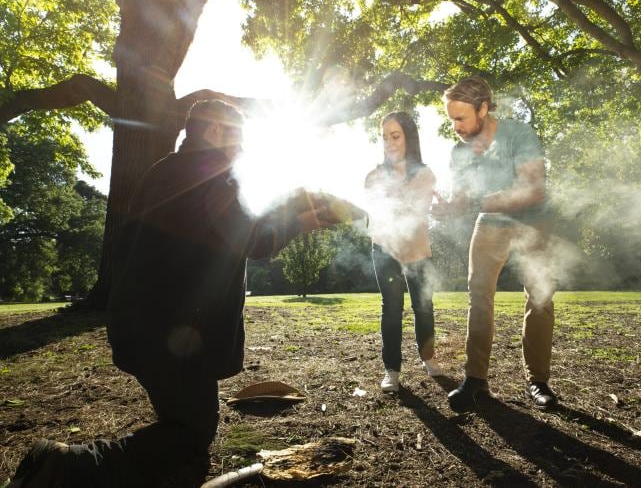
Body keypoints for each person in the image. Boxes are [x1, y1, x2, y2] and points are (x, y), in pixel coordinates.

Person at [10, 100, 345, 487]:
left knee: (185, 427)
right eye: (238, 139)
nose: (241, 151)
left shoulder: (170, 171)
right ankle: (63, 465)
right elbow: (253, 240)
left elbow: (230, 229)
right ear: (215, 131)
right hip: (169, 333)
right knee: (191, 434)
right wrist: (306, 219)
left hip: (148, 326)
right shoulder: (204, 176)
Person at [432, 77, 558, 412]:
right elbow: (462, 201)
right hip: (489, 222)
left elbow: (533, 189)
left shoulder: (519, 134)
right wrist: (447, 209)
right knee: (479, 295)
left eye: (461, 118)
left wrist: (478, 203)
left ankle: (538, 380)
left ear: (483, 108)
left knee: (540, 298)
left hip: (534, 220)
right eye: (451, 119)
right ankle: (475, 380)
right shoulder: (459, 153)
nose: (455, 127)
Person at [365, 111, 440, 393]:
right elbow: (376, 213)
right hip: (384, 249)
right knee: (392, 310)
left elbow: (415, 213)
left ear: (409, 137)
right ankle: (392, 370)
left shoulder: (425, 174)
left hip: (418, 249)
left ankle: (428, 357)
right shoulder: (373, 176)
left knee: (424, 307)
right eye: (384, 137)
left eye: (395, 136)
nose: (389, 142)